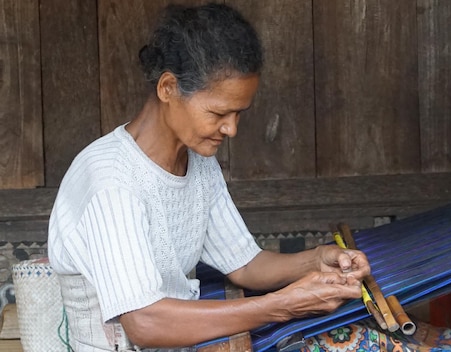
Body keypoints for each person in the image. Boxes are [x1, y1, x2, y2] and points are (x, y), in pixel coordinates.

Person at [47, 3, 369, 351]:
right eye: (218, 113)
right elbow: (144, 322)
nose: (230, 128)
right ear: (168, 88)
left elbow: (244, 264)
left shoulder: (196, 159)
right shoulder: (111, 181)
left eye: (238, 114)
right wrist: (282, 305)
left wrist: (315, 260)